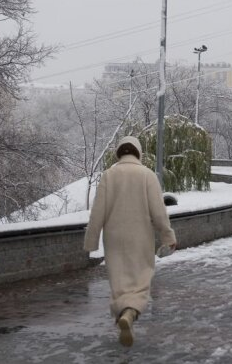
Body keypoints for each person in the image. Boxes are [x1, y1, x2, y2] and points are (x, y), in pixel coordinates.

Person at [83, 136, 177, 347]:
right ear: (138, 153)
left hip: (114, 237)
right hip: (140, 237)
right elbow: (159, 212)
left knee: (119, 282)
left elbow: (97, 212)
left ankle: (122, 313)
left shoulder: (109, 175)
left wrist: (91, 242)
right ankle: (130, 314)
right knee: (140, 281)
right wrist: (167, 236)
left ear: (119, 153)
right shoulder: (147, 175)